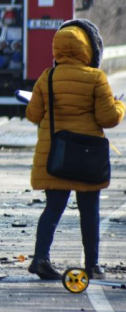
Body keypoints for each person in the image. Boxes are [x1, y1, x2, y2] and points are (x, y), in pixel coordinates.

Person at [25, 19, 124, 280]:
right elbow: (108, 118)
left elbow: (33, 113)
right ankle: (92, 265)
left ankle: (40, 258)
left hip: (55, 155)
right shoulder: (96, 78)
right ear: (89, 48)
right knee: (89, 210)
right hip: (86, 157)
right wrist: (120, 106)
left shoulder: (48, 77)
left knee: (53, 208)